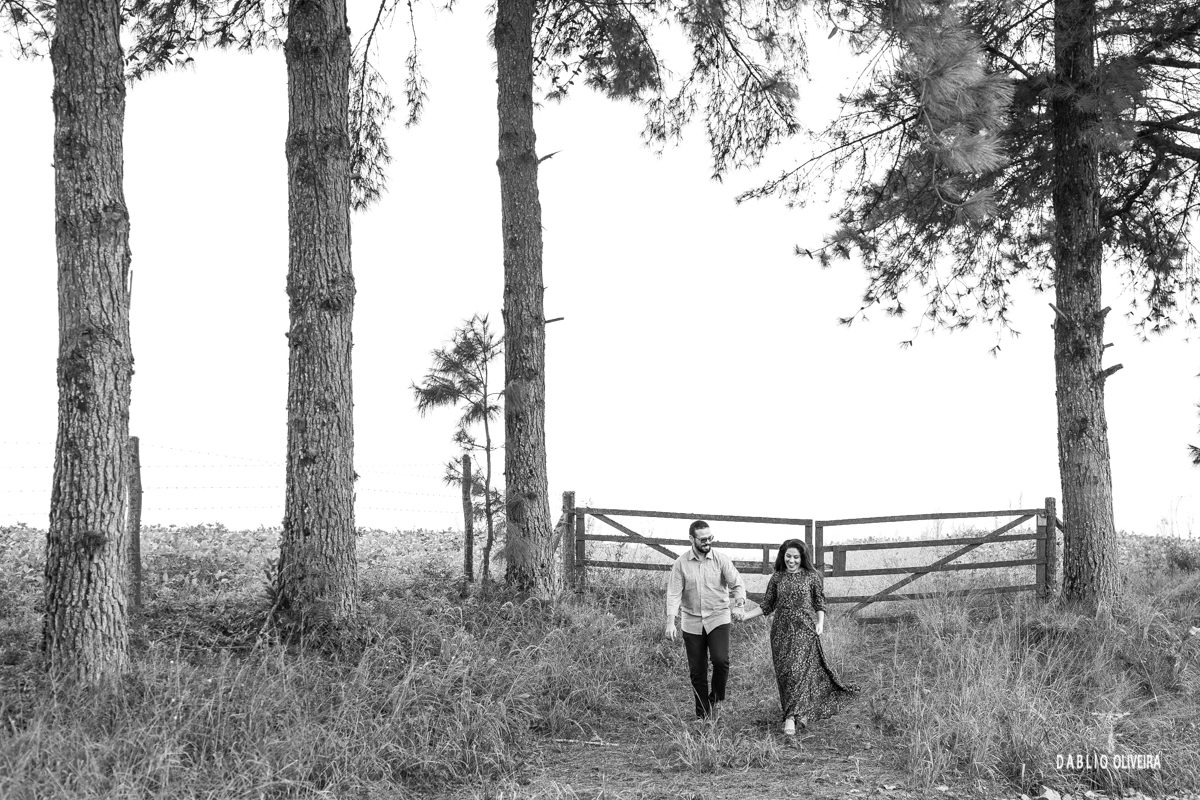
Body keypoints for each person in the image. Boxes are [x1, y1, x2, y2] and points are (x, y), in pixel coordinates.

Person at [741, 538, 856, 735]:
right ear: (783, 556)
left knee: (797, 672)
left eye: (796, 557)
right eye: (788, 556)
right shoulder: (777, 577)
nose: (791, 561)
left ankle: (790, 718)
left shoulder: (812, 576)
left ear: (802, 557)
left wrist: (820, 623)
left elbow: (819, 602)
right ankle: (798, 711)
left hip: (804, 630)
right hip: (781, 632)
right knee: (785, 674)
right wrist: (745, 616)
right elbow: (767, 605)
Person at [665, 520, 747, 719]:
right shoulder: (681, 564)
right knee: (697, 671)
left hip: (718, 616)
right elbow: (674, 594)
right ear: (691, 539)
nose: (707, 542)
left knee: (721, 660)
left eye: (710, 538)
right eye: (702, 539)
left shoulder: (721, 560)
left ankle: (715, 699)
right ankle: (702, 714)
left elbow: (737, 584)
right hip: (691, 620)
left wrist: (739, 603)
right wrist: (670, 622)